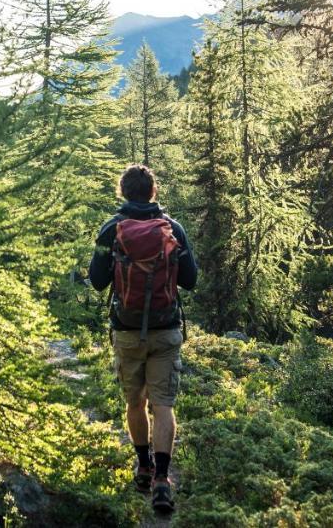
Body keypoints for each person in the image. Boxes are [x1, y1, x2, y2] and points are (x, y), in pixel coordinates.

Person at [89, 164, 198, 515]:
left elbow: (96, 281)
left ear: (122, 191)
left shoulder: (111, 229)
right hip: (166, 329)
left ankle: (143, 466)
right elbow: (191, 280)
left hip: (127, 330)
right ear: (153, 191)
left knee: (135, 401)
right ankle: (163, 480)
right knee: (163, 404)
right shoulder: (173, 229)